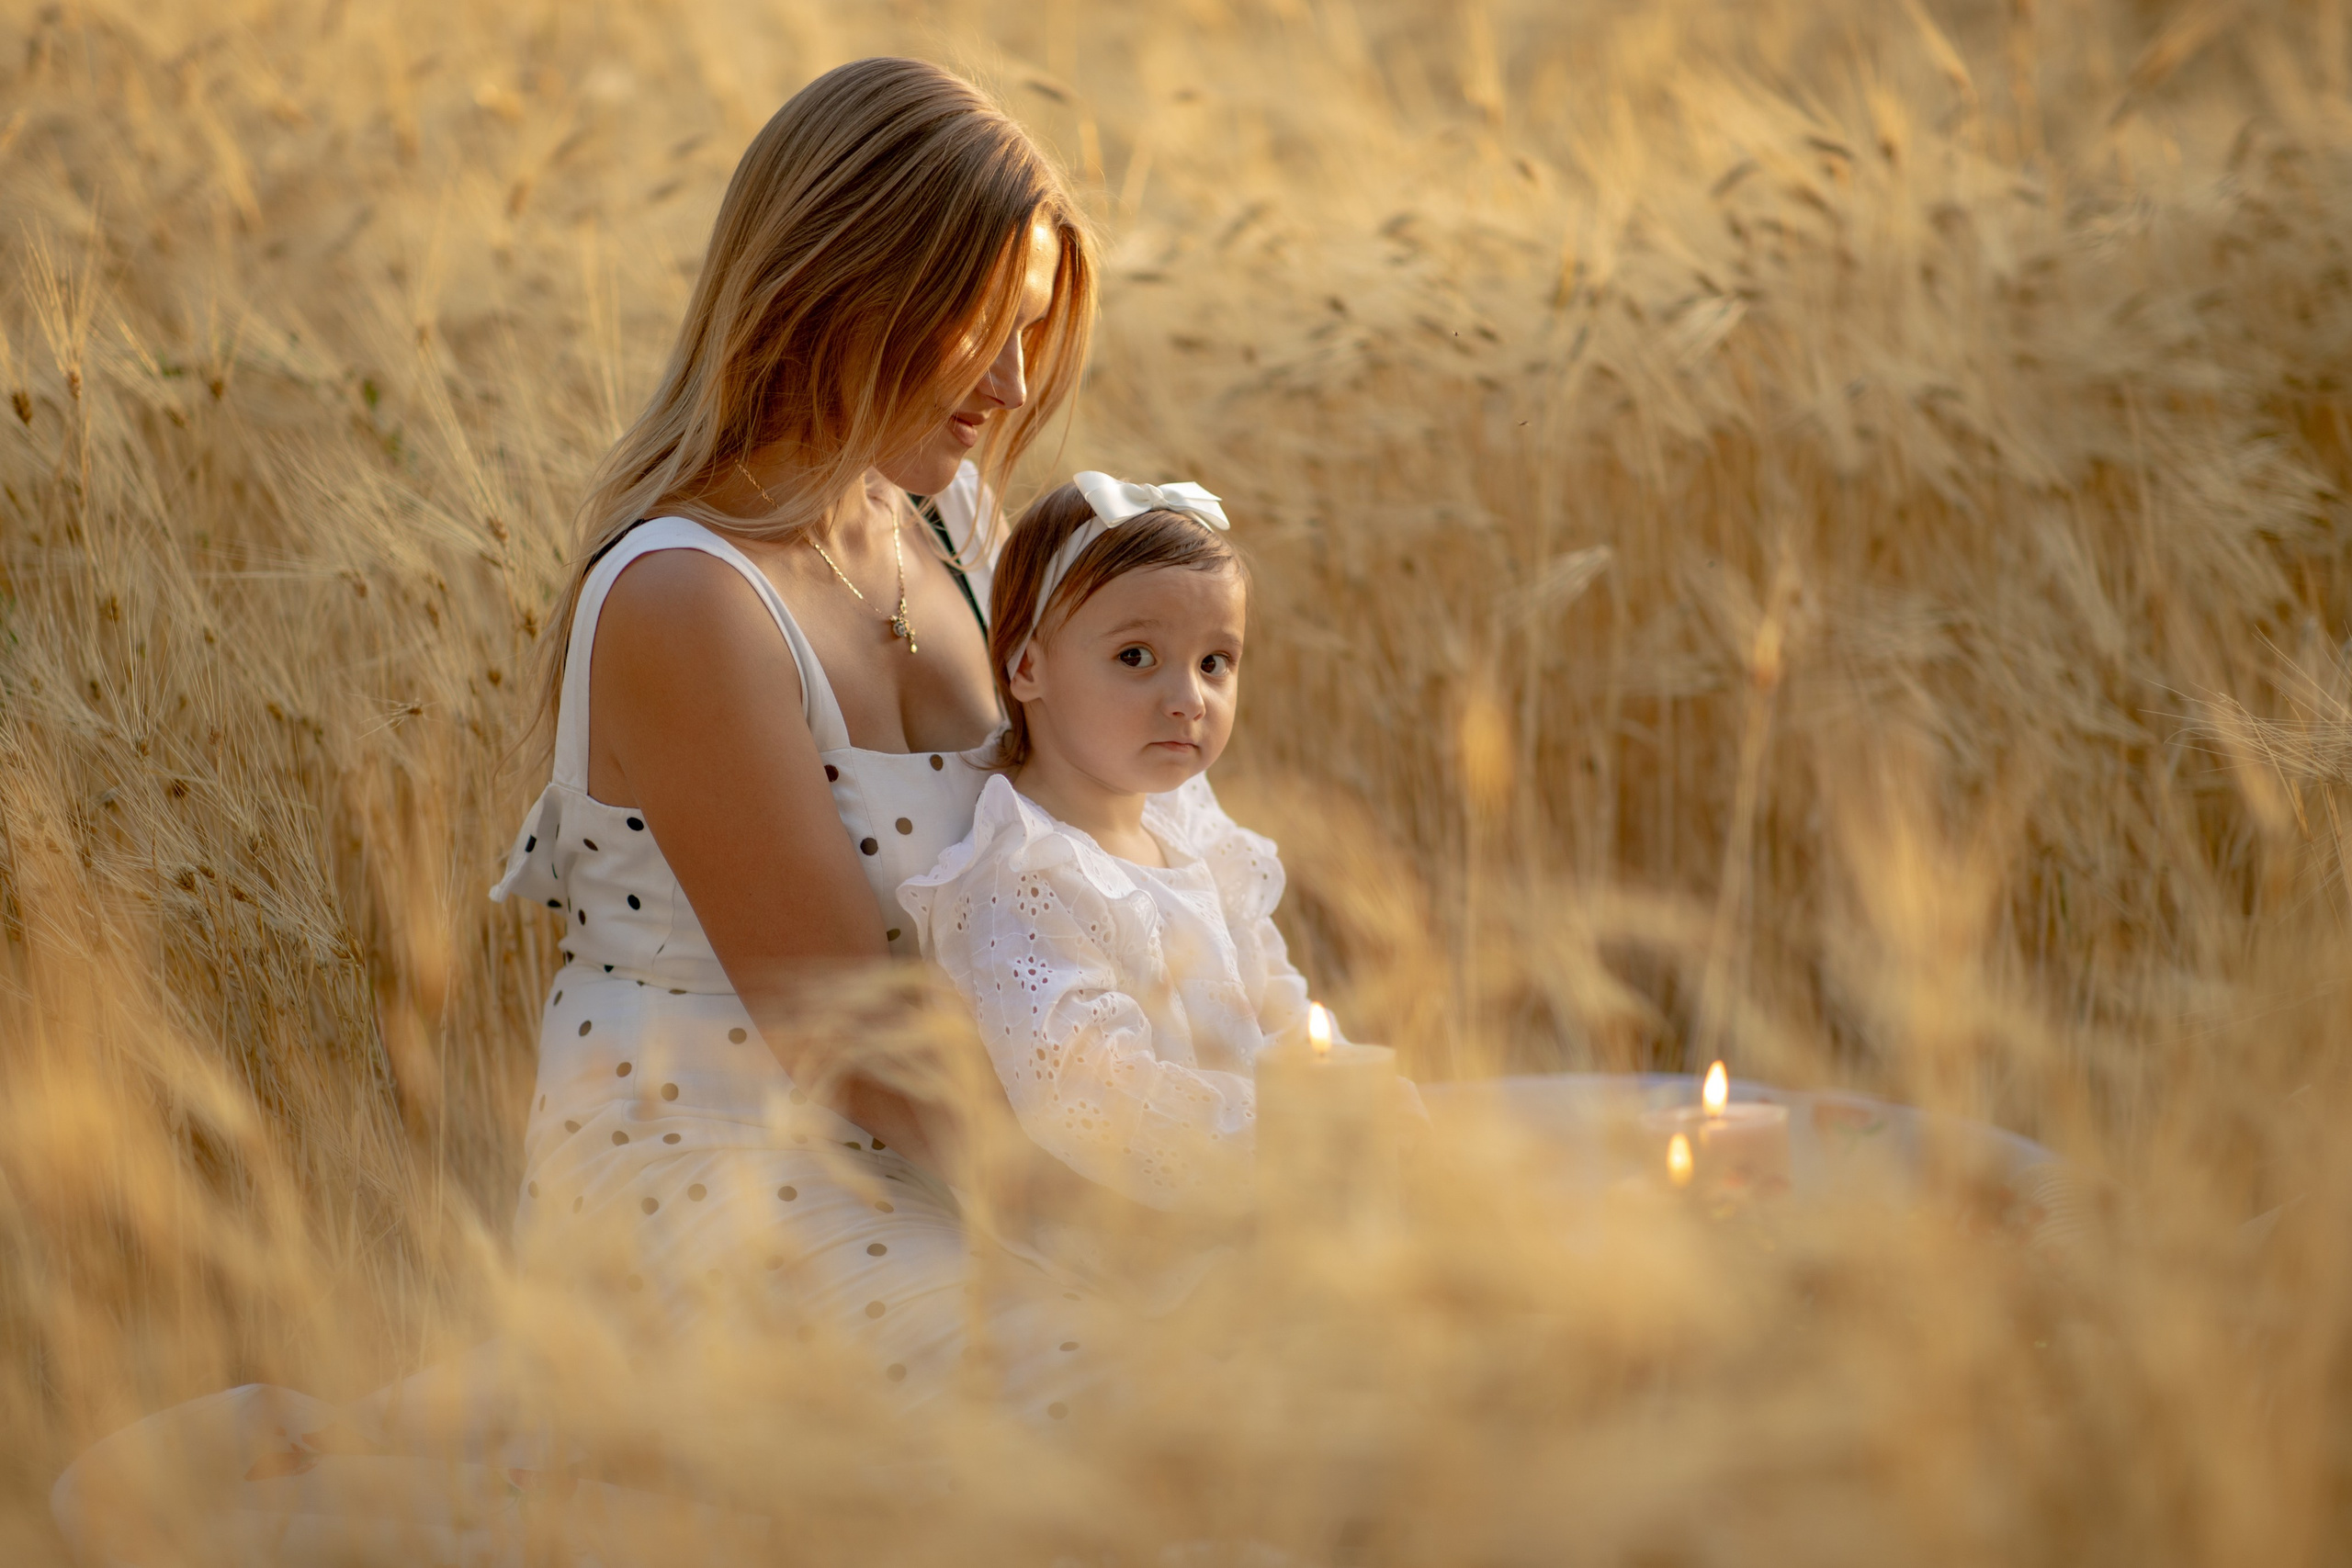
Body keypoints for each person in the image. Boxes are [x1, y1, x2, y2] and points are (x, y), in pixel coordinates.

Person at [53, 57, 1118, 1565]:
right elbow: (852, 1038)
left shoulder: (948, 520)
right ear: (837, 282)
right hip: (729, 1173)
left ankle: (494, 1421)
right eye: (978, 326)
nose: (1014, 386)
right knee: (1108, 1418)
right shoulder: (688, 598)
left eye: (1032, 330)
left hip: (943, 1140)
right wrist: (1109, 1226)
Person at [899, 473, 1393, 1219]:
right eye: (1137, 657)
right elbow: (1095, 1097)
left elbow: (1279, 1004)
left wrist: (1351, 1099)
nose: (1189, 699)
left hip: (1277, 1181)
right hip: (1148, 1227)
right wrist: (1286, 1144)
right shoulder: (1028, 875)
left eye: (1214, 662)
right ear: (1026, 666)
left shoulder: (1185, 819)